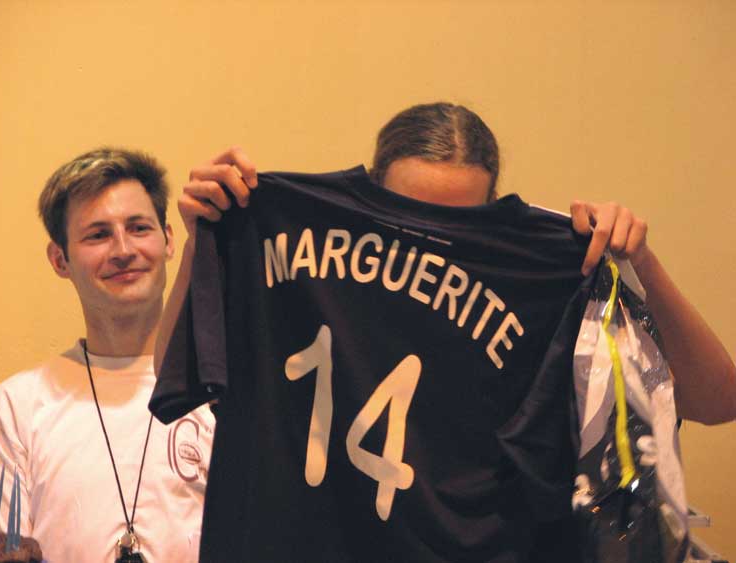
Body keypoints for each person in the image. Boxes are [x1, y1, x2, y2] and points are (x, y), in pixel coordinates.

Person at [154, 102, 736, 562]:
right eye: (402, 216)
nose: (424, 240)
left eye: (457, 226)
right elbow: (173, 370)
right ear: (371, 188)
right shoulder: (279, 229)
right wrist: (205, 238)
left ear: (493, 208)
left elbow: (717, 398)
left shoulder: (544, 268)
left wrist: (637, 264)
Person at [0, 148, 214, 562]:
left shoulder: (219, 393)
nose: (123, 249)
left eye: (139, 228)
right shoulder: (16, 408)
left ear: (169, 240)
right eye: (98, 235)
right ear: (60, 260)